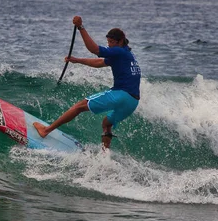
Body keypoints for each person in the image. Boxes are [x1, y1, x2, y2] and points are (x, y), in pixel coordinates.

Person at [33, 16, 142, 149]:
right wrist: (77, 60)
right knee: (107, 124)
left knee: (79, 106)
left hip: (121, 94)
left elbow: (95, 50)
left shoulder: (118, 51)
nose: (109, 45)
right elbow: (100, 62)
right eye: (108, 42)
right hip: (133, 102)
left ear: (120, 42)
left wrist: (80, 27)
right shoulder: (127, 54)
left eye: (111, 42)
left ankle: (46, 130)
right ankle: (105, 155)